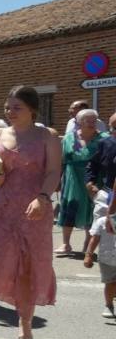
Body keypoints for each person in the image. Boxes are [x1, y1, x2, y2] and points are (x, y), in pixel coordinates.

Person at [0, 86, 61, 339]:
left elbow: (53, 172)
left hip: (34, 212)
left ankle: (25, 328)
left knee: (27, 268)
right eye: (8, 107)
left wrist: (43, 198)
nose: (10, 112)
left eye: (17, 108)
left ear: (32, 109)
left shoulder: (48, 136)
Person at [57, 108, 106, 256]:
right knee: (69, 207)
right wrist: (58, 180)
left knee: (92, 209)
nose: (91, 123)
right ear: (79, 122)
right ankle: (66, 244)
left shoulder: (103, 138)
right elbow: (61, 161)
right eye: (87, 120)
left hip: (94, 178)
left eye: (94, 120)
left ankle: (87, 244)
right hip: (72, 177)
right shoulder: (68, 138)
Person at [84, 192, 116, 318]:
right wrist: (88, 255)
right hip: (107, 259)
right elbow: (94, 239)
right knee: (110, 283)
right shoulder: (102, 221)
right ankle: (109, 305)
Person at [85, 112, 116, 204]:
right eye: (112, 128)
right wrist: (90, 182)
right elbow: (93, 164)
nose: (113, 131)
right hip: (107, 193)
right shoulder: (105, 143)